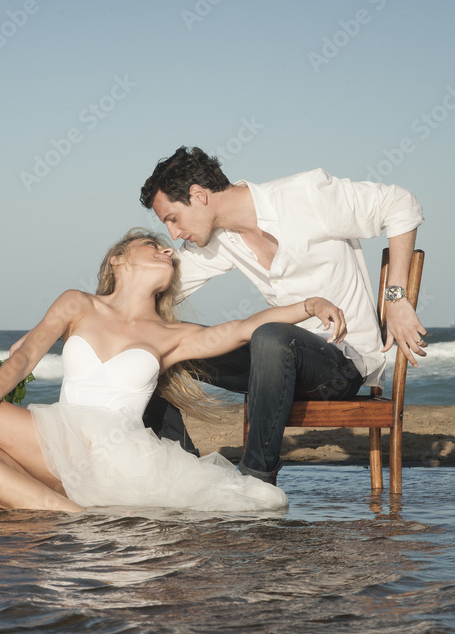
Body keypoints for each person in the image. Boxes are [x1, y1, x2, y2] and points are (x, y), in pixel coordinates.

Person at [0, 229, 349, 513]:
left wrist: (306, 305)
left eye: (169, 249)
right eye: (152, 244)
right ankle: (70, 517)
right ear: (118, 260)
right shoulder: (78, 304)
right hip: (61, 440)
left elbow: (241, 327)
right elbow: (24, 357)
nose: (168, 248)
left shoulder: (170, 338)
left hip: (113, 452)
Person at [139, 147, 427, 484]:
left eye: (173, 218)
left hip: (340, 363)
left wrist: (396, 297)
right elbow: (152, 289)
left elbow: (400, 203)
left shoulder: (305, 196)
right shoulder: (217, 241)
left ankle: (256, 479)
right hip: (273, 366)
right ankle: (185, 474)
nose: (173, 234)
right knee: (152, 348)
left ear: (199, 195)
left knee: (271, 334)